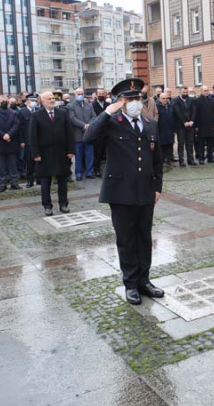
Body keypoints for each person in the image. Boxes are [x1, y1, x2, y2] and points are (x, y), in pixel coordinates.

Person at [84, 78, 164, 306]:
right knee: (127, 240)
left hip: (146, 191)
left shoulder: (150, 124)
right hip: (120, 192)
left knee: (144, 238)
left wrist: (157, 187)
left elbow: (157, 160)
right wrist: (107, 112)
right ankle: (130, 284)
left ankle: (144, 281)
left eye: (137, 97)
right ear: (120, 101)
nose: (135, 102)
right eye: (129, 98)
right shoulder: (111, 123)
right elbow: (89, 138)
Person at [28, 92, 75, 216]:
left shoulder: (63, 113)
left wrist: (71, 150)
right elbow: (32, 137)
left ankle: (63, 204)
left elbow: (69, 133)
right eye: (49, 99)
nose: (52, 100)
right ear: (42, 101)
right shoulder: (36, 115)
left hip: (61, 153)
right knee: (45, 182)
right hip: (44, 154)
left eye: (53, 98)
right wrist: (35, 154)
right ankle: (47, 206)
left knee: (63, 181)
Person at [0, 95, 21, 192]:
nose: (4, 102)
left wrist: (9, 135)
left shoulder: (13, 113)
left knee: (13, 164)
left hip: (11, 142)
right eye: (2, 101)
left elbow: (16, 125)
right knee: (0, 165)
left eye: (6, 101)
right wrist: (3, 135)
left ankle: (14, 182)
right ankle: (2, 184)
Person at [67, 87, 97, 181]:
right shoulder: (70, 106)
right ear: (75, 95)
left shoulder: (89, 105)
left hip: (88, 134)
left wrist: (89, 125)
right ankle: (79, 173)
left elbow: (94, 116)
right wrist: (84, 125)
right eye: (78, 94)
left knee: (89, 154)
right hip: (78, 134)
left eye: (82, 93)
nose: (80, 95)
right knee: (78, 156)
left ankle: (89, 172)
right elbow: (72, 119)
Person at [172, 86, 197, 167]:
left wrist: (192, 120)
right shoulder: (175, 100)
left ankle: (191, 159)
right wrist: (184, 122)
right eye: (184, 92)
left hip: (190, 125)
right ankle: (181, 160)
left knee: (190, 143)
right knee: (181, 143)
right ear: (180, 92)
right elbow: (178, 112)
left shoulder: (192, 100)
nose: (185, 94)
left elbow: (194, 110)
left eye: (186, 92)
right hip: (180, 126)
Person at [194, 85, 214, 164]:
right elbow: (195, 114)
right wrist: (196, 126)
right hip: (201, 125)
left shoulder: (212, 100)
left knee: (210, 143)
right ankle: (201, 158)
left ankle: (210, 157)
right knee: (201, 143)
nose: (206, 92)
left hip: (211, 125)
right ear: (201, 91)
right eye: (205, 91)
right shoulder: (197, 101)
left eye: (207, 90)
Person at [18, 94, 38, 188]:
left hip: (38, 141)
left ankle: (39, 179)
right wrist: (21, 141)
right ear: (26, 102)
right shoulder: (22, 112)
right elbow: (20, 128)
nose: (34, 102)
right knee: (29, 162)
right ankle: (30, 180)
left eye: (35, 100)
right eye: (31, 101)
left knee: (39, 162)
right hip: (28, 141)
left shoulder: (38, 111)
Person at [156, 90, 176, 165]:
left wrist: (174, 128)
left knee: (170, 145)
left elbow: (174, 117)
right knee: (162, 146)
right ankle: (162, 161)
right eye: (163, 98)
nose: (165, 100)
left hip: (170, 129)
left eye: (166, 98)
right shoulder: (157, 107)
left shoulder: (170, 106)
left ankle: (169, 160)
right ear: (160, 99)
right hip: (161, 129)